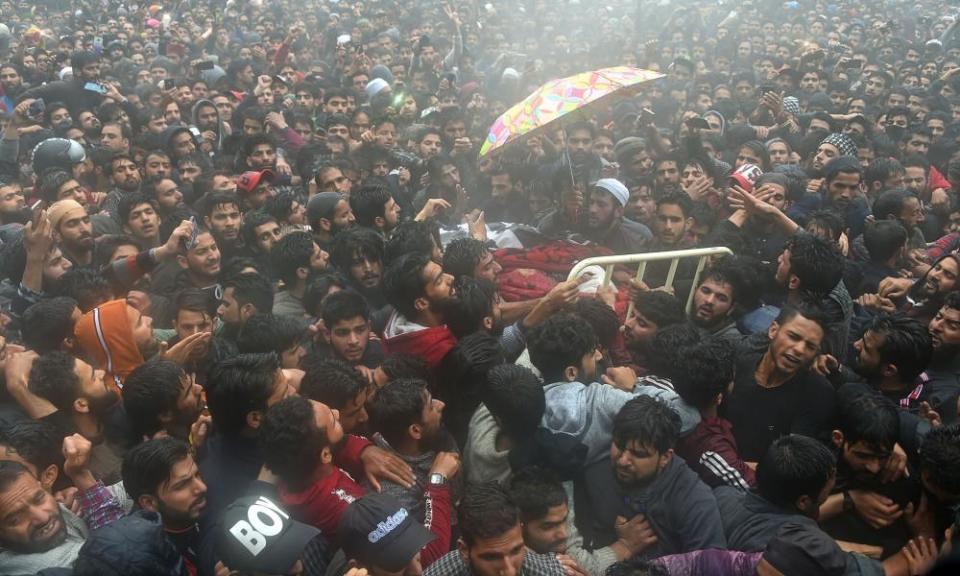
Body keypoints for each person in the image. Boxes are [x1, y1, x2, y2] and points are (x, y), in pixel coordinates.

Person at [579, 396, 726, 561]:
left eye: (638, 454)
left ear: (665, 457)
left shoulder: (695, 502)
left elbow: (710, 567)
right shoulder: (595, 472)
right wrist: (619, 543)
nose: (622, 461)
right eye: (619, 446)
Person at [723, 304, 836, 462]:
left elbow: (789, 465)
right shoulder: (741, 363)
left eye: (810, 346)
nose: (799, 349)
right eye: (794, 337)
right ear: (773, 330)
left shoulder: (816, 392)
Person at [0, 435, 125, 573]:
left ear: (42, 485)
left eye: (39, 498)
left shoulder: (63, 503)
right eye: (15, 519)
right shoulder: (35, 569)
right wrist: (82, 477)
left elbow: (125, 494)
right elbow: (118, 555)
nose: (42, 517)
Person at [508, 466, 652, 576]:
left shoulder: (560, 504)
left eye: (564, 520)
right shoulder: (506, 556)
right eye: (548, 527)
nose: (563, 534)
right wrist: (624, 547)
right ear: (519, 527)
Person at [365, 378, 461, 522]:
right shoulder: (397, 494)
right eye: (431, 407)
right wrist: (437, 480)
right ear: (416, 430)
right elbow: (430, 536)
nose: (440, 404)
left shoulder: (435, 432)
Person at [423, 482, 565, 576]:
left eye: (516, 550)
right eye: (492, 557)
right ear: (464, 550)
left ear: (521, 533)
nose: (509, 571)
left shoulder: (549, 572)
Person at [121, 437, 208, 574]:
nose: (202, 487)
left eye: (197, 475)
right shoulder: (151, 560)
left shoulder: (200, 508)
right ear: (149, 503)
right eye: (183, 485)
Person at [381, 253, 458, 371]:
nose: (451, 277)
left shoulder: (397, 325)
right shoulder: (441, 352)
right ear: (421, 303)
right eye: (439, 281)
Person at [122, 359, 204, 441]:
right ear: (165, 415)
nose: (199, 388)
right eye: (188, 392)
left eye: (192, 382)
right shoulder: (184, 450)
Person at [319, 290, 385, 369]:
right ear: (327, 334)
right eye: (342, 333)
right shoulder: (317, 362)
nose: (353, 341)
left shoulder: (381, 353)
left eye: (360, 330)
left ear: (369, 327)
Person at [273, 231, 330, 318]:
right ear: (302, 272)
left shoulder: (331, 288)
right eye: (318, 257)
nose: (326, 255)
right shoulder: (283, 315)